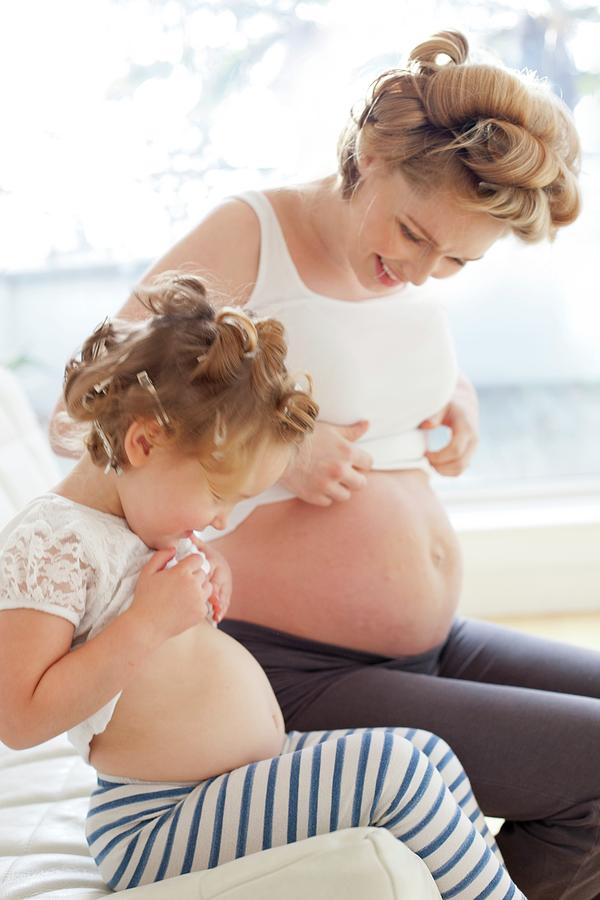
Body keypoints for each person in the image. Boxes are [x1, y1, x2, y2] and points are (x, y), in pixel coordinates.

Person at [48, 31, 597, 899]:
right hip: (290, 668)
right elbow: (82, 417)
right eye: (414, 233)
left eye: (457, 261)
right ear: (372, 156)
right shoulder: (250, 237)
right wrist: (276, 455)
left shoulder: (406, 283)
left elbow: (361, 356)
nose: (419, 271)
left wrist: (453, 394)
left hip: (430, 642)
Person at [0, 271, 524, 897]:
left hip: (229, 783)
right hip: (155, 820)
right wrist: (149, 623)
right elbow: (19, 718)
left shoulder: (141, 519)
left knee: (428, 753)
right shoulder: (51, 540)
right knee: (398, 772)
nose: (220, 520)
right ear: (143, 443)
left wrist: (200, 580)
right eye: (219, 495)